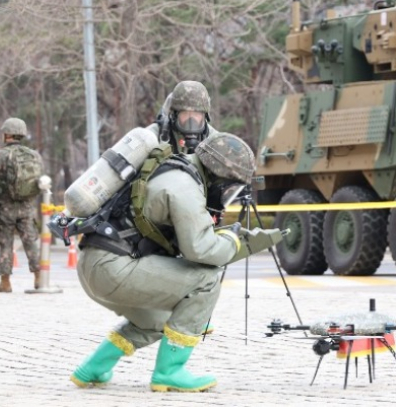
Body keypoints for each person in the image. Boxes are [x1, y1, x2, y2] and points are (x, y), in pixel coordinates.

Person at [70, 132, 283, 392]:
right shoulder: (185, 187)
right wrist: (234, 240)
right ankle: (169, 372)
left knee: (156, 321)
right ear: (217, 174)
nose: (226, 194)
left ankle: (93, 369)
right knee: (206, 280)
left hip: (93, 265)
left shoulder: (171, 168)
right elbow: (200, 250)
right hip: (114, 268)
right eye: (229, 187)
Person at [0, 117, 44, 293]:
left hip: (4, 207)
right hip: (26, 206)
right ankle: (39, 278)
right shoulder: (34, 156)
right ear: (21, 134)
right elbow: (38, 182)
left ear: (6, 134)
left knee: (5, 243)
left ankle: (5, 282)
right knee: (30, 241)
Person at [149, 80, 217, 154]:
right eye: (185, 113)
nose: (191, 121)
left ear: (205, 116)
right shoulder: (154, 134)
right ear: (174, 114)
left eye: (196, 114)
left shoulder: (214, 139)